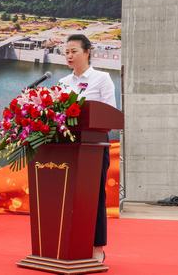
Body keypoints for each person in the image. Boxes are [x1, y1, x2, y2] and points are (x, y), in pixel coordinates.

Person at [58, 34, 116, 263]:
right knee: (69, 197)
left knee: (94, 197)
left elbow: (109, 114)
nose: (69, 56)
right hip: (67, 147)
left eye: (74, 51)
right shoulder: (63, 82)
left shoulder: (102, 79)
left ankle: (97, 248)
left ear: (87, 52)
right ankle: (67, 244)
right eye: (66, 52)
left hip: (94, 147)